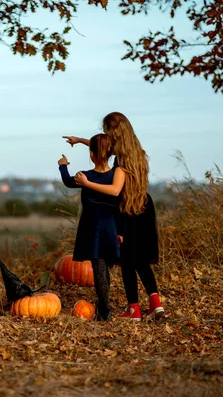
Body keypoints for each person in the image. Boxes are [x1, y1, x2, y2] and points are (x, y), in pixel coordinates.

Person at [63, 112, 164, 321]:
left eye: (107, 130)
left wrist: (86, 182)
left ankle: (133, 309)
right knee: (141, 260)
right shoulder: (138, 152)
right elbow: (102, 148)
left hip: (128, 210)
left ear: (113, 130)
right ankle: (156, 305)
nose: (106, 134)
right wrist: (81, 141)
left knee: (128, 260)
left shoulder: (121, 160)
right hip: (144, 205)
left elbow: (113, 183)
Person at [58, 133, 120, 321]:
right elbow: (105, 149)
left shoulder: (87, 177)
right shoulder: (116, 173)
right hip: (111, 226)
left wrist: (62, 166)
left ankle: (104, 310)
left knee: (99, 267)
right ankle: (105, 305)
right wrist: (81, 141)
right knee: (102, 267)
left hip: (93, 227)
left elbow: (68, 182)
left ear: (92, 155)